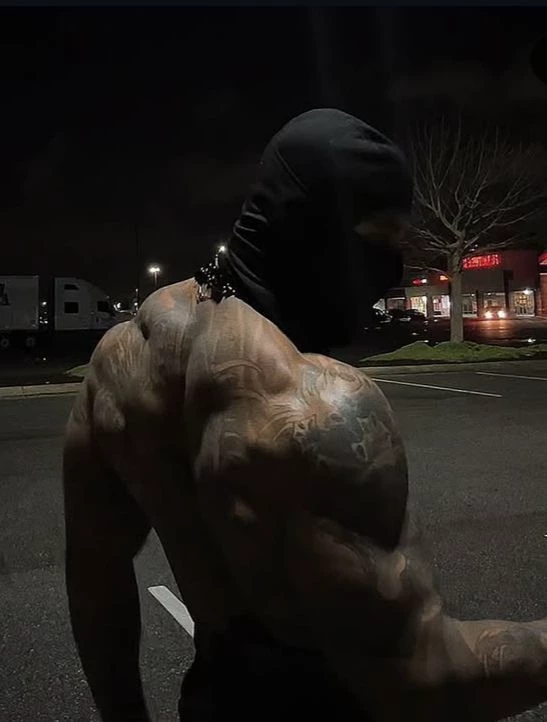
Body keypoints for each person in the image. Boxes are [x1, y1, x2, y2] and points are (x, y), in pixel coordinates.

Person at [63, 109, 547, 722]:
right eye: (381, 237)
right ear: (313, 229)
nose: (392, 264)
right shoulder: (316, 407)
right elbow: (422, 676)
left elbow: (96, 576)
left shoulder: (122, 359)